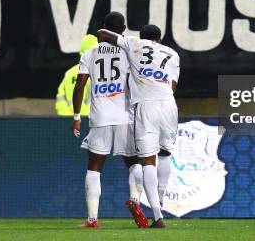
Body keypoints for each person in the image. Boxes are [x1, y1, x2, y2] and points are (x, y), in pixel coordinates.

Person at [97, 23, 180, 228]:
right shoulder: (172, 53)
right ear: (159, 39)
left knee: (147, 160)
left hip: (145, 105)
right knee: (166, 153)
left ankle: (158, 216)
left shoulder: (134, 43)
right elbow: (173, 85)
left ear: (142, 36)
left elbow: (102, 33)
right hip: (169, 104)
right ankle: (160, 198)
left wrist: (123, 37)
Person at [71, 13, 149, 229]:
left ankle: (92, 219)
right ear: (123, 29)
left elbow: (80, 86)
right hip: (126, 116)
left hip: (100, 116)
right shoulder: (129, 52)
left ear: (103, 28)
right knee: (134, 162)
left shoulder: (89, 53)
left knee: (94, 168)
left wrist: (77, 117)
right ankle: (134, 200)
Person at [55, 34, 98, 116]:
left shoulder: (69, 73)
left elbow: (61, 99)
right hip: (90, 121)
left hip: (68, 120)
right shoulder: (100, 74)